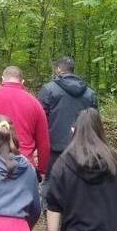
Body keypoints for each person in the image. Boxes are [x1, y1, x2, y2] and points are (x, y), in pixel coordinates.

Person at [38, 57, 98, 203]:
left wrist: (39, 144)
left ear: (58, 69)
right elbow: (95, 120)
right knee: (78, 182)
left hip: (55, 146)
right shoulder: (89, 93)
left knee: (50, 181)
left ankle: (51, 214)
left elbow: (40, 118)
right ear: (73, 70)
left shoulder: (49, 89)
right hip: (82, 146)